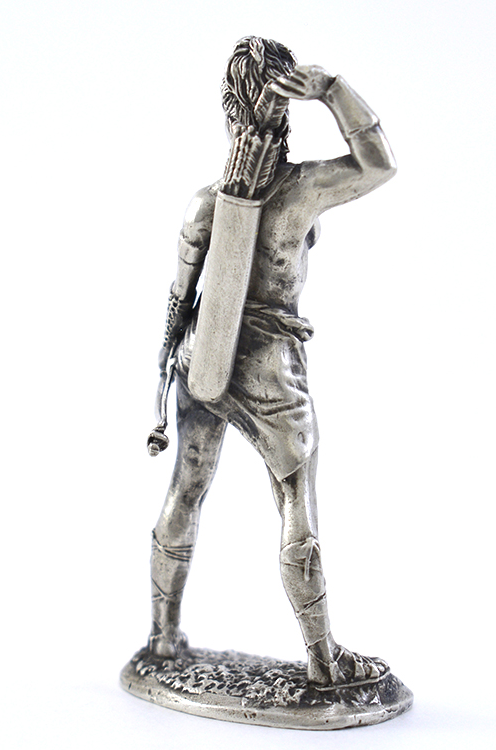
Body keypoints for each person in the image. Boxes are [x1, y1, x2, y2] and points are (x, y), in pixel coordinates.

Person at [148, 36, 396, 689]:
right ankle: (324, 661)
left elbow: (178, 301)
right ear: (284, 107)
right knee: (294, 501)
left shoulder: (204, 203)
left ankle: (162, 636)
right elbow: (379, 163)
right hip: (269, 367)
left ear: (227, 109)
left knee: (187, 487)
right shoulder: (304, 190)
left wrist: (164, 366)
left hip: (203, 353)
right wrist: (332, 90)